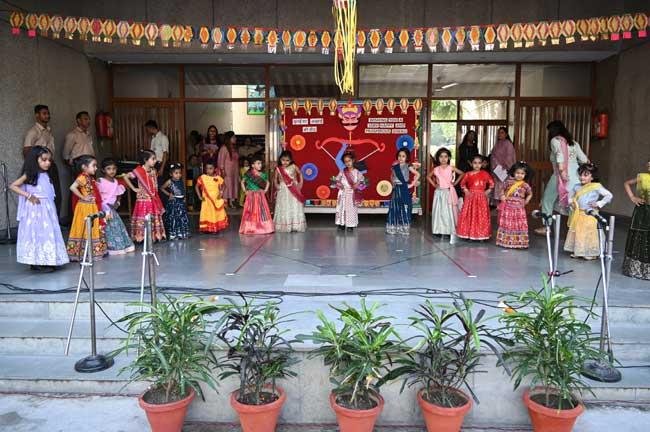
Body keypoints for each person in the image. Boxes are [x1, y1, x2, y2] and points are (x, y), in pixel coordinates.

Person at [9, 146, 69, 272]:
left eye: (49, 160)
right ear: (34, 159)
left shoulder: (47, 174)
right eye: (44, 160)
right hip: (35, 210)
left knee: (48, 233)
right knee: (36, 233)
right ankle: (37, 261)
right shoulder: (30, 175)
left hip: (47, 209)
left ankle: (47, 258)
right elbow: (13, 186)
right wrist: (29, 196)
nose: (48, 163)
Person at [535, 120, 589, 235]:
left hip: (560, 175)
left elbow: (559, 155)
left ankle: (547, 227)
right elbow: (584, 160)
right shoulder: (573, 143)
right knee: (573, 202)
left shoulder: (555, 140)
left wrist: (562, 171)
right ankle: (575, 230)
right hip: (576, 176)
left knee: (547, 200)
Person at [564, 163, 613, 260]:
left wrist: (598, 203)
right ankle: (579, 251)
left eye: (585, 175)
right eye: (580, 175)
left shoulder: (596, 186)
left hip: (590, 214)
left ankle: (591, 252)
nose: (582, 177)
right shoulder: (576, 186)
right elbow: (570, 196)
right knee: (579, 233)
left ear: (592, 177)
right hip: (579, 214)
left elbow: (609, 195)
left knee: (590, 233)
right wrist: (571, 202)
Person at [66, 155, 107, 261]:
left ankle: (90, 253)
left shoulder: (89, 178)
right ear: (84, 167)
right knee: (84, 227)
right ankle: (82, 253)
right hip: (84, 207)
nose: (96, 168)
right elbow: (72, 187)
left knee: (92, 227)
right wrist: (83, 197)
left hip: (91, 206)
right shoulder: (82, 177)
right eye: (94, 165)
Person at [23, 105, 62, 216]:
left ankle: (55, 220)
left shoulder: (48, 131)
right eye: (44, 113)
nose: (47, 116)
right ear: (37, 115)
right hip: (40, 168)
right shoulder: (33, 131)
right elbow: (26, 151)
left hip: (51, 164)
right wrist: (36, 167)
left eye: (48, 113)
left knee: (56, 194)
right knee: (44, 195)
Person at [123, 149, 166, 243]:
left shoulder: (154, 171)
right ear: (145, 160)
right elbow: (126, 177)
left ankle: (154, 236)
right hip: (143, 200)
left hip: (153, 198)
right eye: (153, 159)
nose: (155, 161)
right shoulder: (138, 171)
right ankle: (141, 237)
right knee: (143, 217)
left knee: (153, 217)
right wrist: (134, 189)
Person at [97, 158, 135, 256]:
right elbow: (97, 195)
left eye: (114, 168)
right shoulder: (100, 181)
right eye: (108, 169)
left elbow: (119, 193)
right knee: (108, 228)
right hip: (104, 209)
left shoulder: (116, 182)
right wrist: (103, 206)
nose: (112, 171)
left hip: (113, 209)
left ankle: (121, 246)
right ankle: (112, 248)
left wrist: (117, 202)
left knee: (117, 227)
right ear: (103, 170)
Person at [496, 162, 534, 249]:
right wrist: (502, 196)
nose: (519, 175)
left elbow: (530, 193)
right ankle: (506, 241)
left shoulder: (525, 185)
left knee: (518, 224)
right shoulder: (508, 182)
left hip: (519, 209)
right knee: (508, 224)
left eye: (522, 173)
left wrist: (527, 200)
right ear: (513, 172)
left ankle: (519, 242)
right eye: (517, 173)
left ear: (525, 174)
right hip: (508, 208)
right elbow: (501, 189)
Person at [622, 159, 650, 280]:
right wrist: (633, 197)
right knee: (641, 237)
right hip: (643, 211)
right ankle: (638, 269)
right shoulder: (643, 177)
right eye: (648, 165)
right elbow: (627, 183)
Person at [456, 155, 494, 241]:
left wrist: (488, 191)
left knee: (481, 215)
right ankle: (469, 233)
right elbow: (462, 184)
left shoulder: (485, 174)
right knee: (470, 214)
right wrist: (466, 190)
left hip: (481, 197)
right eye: (475, 163)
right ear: (471, 164)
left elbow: (492, 183)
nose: (477, 165)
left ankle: (481, 235)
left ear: (482, 164)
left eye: (479, 163)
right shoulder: (468, 174)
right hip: (471, 197)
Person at [428, 147, 464, 236]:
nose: (443, 159)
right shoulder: (436, 169)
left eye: (445, 156)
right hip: (439, 193)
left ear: (449, 158)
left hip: (448, 192)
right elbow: (428, 176)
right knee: (438, 211)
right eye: (441, 157)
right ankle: (438, 230)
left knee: (448, 211)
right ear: (438, 158)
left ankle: (448, 230)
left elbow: (462, 173)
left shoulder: (451, 168)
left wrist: (455, 183)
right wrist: (434, 184)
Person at [386, 149, 420, 235]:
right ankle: (394, 227)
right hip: (396, 189)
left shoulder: (408, 166)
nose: (401, 158)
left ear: (407, 157)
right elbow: (392, 177)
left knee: (404, 207)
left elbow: (418, 174)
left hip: (404, 189)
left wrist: (411, 184)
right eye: (399, 156)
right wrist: (393, 184)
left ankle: (404, 228)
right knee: (394, 207)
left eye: (403, 156)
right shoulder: (395, 167)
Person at [273, 150, 306, 233]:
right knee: (284, 206)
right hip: (283, 190)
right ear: (280, 159)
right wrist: (276, 185)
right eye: (283, 160)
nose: (285, 162)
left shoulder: (294, 166)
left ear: (291, 160)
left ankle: (295, 225)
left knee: (294, 205)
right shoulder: (278, 169)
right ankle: (284, 225)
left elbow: (300, 173)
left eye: (287, 160)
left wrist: (300, 183)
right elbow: (275, 178)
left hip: (293, 189)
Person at [240, 156, 274, 235]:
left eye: (261, 163)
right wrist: (245, 191)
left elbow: (268, 182)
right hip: (251, 195)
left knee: (262, 211)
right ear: (252, 165)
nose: (260, 165)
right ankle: (250, 227)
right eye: (258, 163)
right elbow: (242, 182)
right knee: (250, 211)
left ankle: (264, 227)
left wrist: (265, 190)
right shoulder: (248, 174)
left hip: (260, 195)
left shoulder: (263, 175)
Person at [196, 161, 229, 234]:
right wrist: (199, 196)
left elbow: (224, 186)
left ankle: (214, 228)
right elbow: (196, 186)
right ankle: (205, 228)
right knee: (206, 214)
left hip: (215, 200)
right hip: (206, 201)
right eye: (207, 168)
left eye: (210, 168)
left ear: (214, 169)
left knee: (214, 214)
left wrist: (221, 193)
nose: (208, 170)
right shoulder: (203, 177)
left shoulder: (218, 178)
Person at [335, 152, 365, 232]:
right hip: (343, 192)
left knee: (351, 209)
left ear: (353, 160)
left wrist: (357, 184)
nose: (347, 163)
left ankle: (350, 225)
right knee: (341, 208)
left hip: (352, 194)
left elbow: (363, 182)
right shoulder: (342, 171)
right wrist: (340, 186)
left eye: (349, 161)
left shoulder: (357, 172)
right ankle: (341, 224)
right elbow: (337, 180)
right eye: (345, 161)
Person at [161, 163, 191, 240]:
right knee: (174, 218)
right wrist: (169, 194)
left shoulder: (181, 181)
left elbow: (182, 190)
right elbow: (162, 188)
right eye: (176, 173)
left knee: (182, 217)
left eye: (180, 173)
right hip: (174, 202)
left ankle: (182, 233)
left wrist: (184, 197)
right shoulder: (169, 181)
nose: (178, 175)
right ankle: (174, 234)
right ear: (171, 174)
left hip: (181, 202)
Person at [490, 127, 516, 207]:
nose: (500, 134)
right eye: (499, 132)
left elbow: (509, 157)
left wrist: (506, 167)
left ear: (506, 134)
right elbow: (493, 156)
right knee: (498, 191)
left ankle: (506, 208)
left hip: (505, 170)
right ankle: (499, 208)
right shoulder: (497, 144)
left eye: (502, 132)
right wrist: (496, 165)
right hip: (496, 170)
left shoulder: (508, 143)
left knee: (504, 190)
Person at [218, 131, 240, 208]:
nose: (235, 138)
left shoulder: (234, 148)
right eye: (233, 137)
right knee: (227, 186)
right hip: (227, 171)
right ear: (229, 138)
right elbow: (221, 160)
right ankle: (226, 202)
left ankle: (232, 201)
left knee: (234, 185)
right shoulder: (224, 148)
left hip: (235, 171)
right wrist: (222, 170)